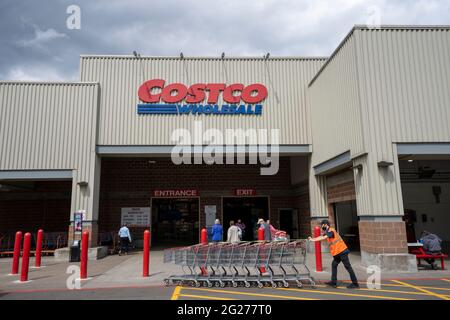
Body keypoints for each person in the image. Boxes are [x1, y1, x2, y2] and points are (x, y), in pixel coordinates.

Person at [308, 219, 359, 289]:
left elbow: (324, 237)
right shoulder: (328, 231)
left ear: (326, 225)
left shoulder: (331, 231)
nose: (322, 227)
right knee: (334, 265)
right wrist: (312, 239)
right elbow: (321, 236)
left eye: (322, 225)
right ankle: (333, 282)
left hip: (342, 251)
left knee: (348, 267)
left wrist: (313, 240)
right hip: (338, 253)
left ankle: (355, 284)